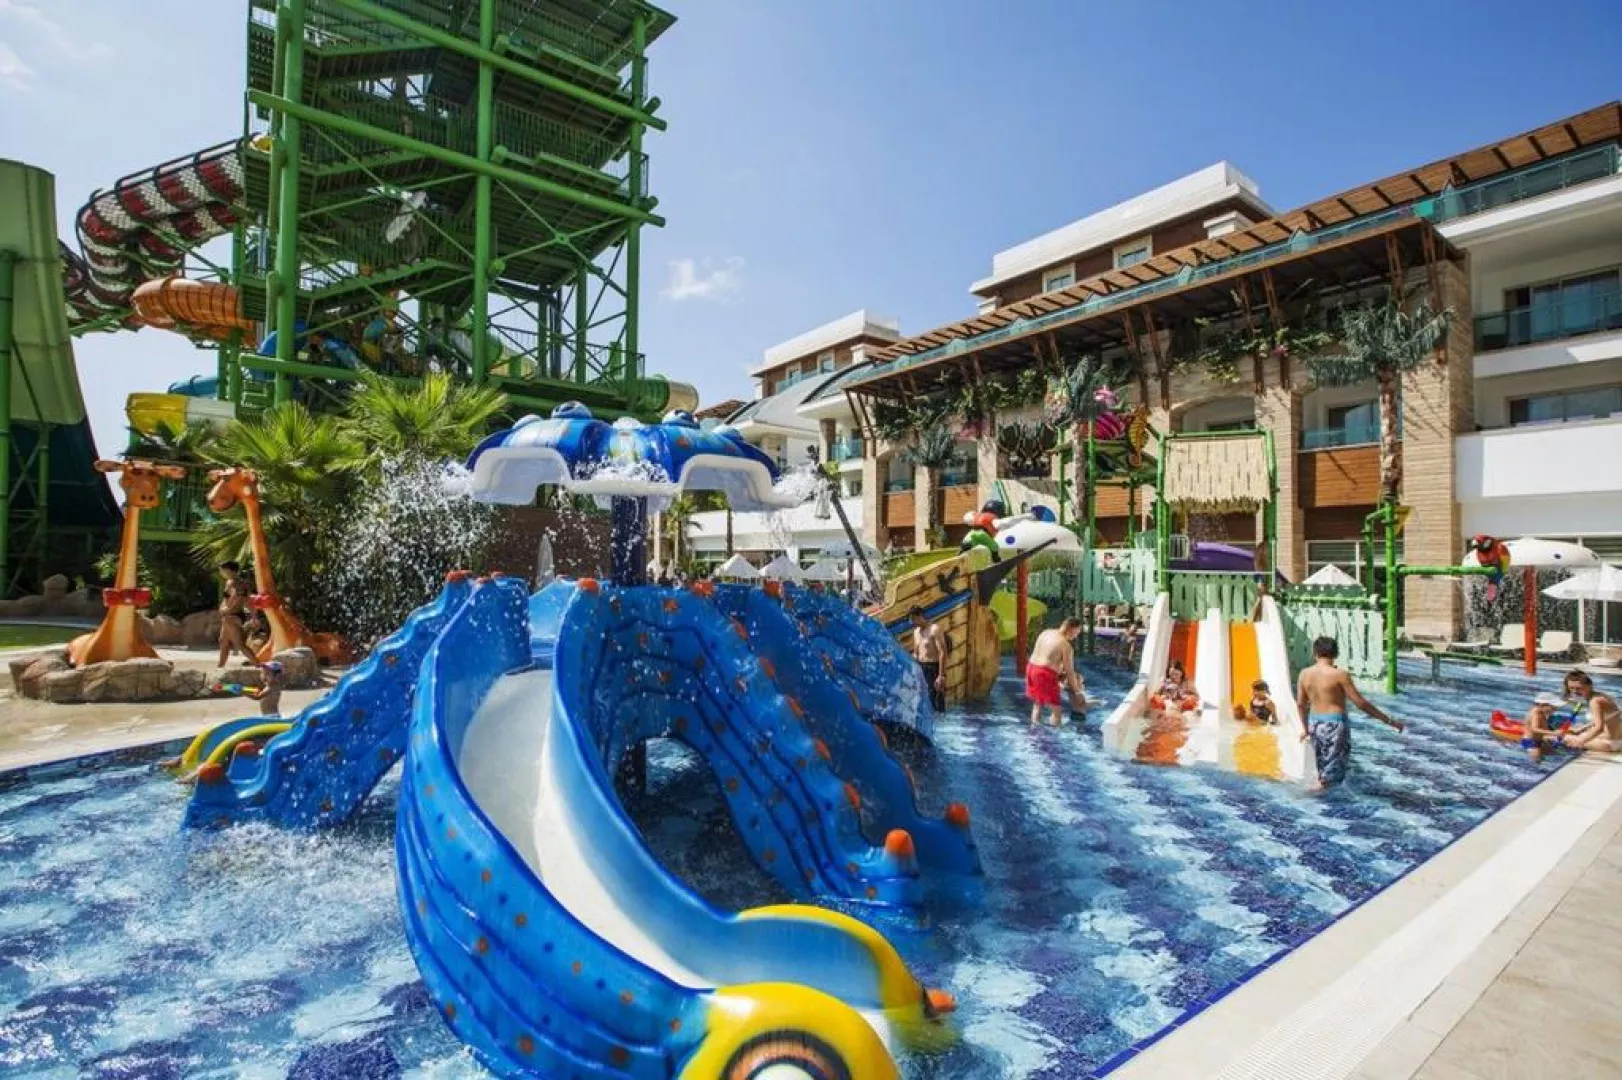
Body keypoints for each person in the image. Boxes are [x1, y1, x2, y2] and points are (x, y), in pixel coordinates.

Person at [1295, 635, 1404, 788]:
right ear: (1336, 654)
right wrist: (1389, 721)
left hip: (1314, 723)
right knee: (1331, 777)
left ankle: (1315, 795)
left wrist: (1305, 729)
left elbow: (1300, 704)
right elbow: (1360, 703)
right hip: (1334, 726)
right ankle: (1308, 796)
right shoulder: (1340, 675)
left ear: (1315, 653)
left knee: (1322, 770)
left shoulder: (1304, 674)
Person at [1026, 617, 1086, 727]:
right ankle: (1055, 733)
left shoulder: (1046, 633)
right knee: (1056, 711)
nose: (1076, 636)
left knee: (1037, 705)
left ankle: (1034, 730)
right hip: (1044, 673)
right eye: (1076, 632)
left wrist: (1058, 675)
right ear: (1071, 629)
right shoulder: (1066, 646)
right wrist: (1077, 692)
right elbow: (1070, 672)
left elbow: (1046, 655)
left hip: (1031, 668)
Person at [1561, 670, 1620, 754]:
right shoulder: (1600, 695)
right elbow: (1607, 718)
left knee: (1554, 737)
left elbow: (1599, 728)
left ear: (1589, 686)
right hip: (1616, 740)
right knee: (1570, 731)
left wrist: (1579, 741)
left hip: (1609, 743)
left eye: (1578, 688)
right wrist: (1581, 729)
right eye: (1571, 688)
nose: (1574, 691)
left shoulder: (1594, 701)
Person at [217, 561, 258, 668]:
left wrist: (227, 608)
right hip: (232, 615)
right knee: (223, 641)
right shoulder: (236, 582)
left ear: (229, 570)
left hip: (232, 616)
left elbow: (236, 597)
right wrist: (254, 616)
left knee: (240, 644)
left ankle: (259, 666)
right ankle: (220, 666)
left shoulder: (234, 583)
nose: (221, 572)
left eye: (222, 570)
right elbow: (247, 600)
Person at [909, 607, 947, 712]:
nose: (912, 622)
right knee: (922, 700)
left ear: (920, 616)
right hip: (921, 668)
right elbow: (916, 653)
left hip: (933, 668)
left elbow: (942, 652)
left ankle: (939, 720)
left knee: (936, 701)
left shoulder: (934, 629)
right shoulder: (916, 632)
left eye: (913, 619)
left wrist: (941, 675)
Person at [1518, 692, 1567, 762]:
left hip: (1539, 741)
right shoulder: (1536, 713)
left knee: (1556, 754)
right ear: (1542, 705)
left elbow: (1544, 727)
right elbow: (1534, 729)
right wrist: (1554, 733)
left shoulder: (1541, 712)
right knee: (1537, 762)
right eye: (1553, 708)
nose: (1555, 710)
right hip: (1531, 743)